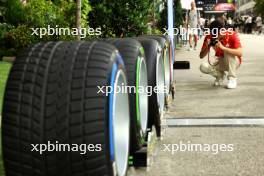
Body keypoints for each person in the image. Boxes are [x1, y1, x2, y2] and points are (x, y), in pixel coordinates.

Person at [199, 20, 243, 89]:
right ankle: (220, 75)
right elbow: (201, 56)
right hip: (220, 60)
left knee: (228, 52)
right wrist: (208, 46)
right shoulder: (209, 37)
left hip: (234, 62)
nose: (216, 37)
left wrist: (223, 48)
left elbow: (240, 53)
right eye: (214, 35)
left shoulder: (231, 34)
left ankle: (232, 79)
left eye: (218, 34)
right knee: (203, 66)